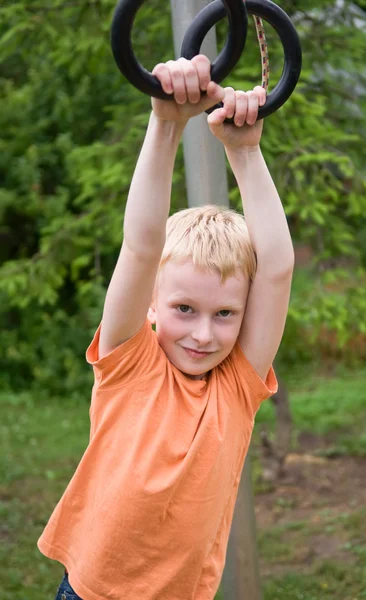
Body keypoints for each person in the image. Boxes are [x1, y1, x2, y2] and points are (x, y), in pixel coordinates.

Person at [38, 55, 294, 600]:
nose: (203, 333)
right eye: (184, 309)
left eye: (225, 314)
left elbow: (276, 269)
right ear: (151, 304)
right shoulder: (129, 363)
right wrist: (165, 123)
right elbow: (142, 244)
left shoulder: (235, 388)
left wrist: (245, 155)